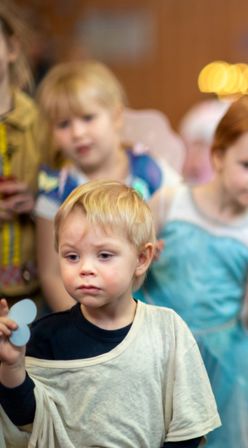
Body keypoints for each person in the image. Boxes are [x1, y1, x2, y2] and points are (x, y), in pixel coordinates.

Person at [0, 180, 220, 446]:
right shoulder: (44, 337)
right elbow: (28, 422)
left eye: (103, 255)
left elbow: (188, 429)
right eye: (72, 256)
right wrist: (12, 367)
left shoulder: (167, 331)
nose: (85, 268)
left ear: (141, 259)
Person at [136, 94, 248, 448]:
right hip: (156, 349)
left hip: (222, 366)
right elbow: (128, 269)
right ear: (218, 156)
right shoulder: (170, 203)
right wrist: (141, 264)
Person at [33, 60, 180, 312]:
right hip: (80, 313)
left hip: (147, 305)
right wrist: (80, 326)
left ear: (116, 116)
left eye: (88, 118)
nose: (77, 132)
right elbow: (51, 274)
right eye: (63, 124)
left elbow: (177, 226)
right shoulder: (56, 188)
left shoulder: (150, 173)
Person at [0, 3, 49, 310]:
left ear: (13, 48)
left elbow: (72, 191)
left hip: (34, 291)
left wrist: (37, 202)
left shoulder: (44, 124)